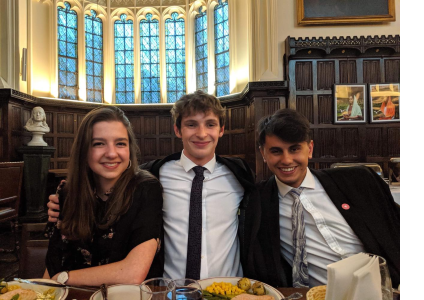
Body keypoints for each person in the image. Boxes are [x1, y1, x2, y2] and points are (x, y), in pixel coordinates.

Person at [47, 90, 261, 281]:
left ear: (222, 130)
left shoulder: (239, 174)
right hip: (170, 289)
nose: (202, 133)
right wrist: (64, 203)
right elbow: (108, 190)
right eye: (191, 124)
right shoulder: (154, 176)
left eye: (210, 124)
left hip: (229, 289)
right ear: (177, 130)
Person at [254, 109, 400, 289]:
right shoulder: (256, 201)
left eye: (295, 149)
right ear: (263, 153)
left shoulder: (359, 181)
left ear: (310, 148)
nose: (287, 159)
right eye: (276, 151)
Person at [44, 106, 163, 286]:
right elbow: (53, 264)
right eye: (99, 143)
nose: (111, 153)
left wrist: (63, 278)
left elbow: (133, 274)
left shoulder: (145, 189)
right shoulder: (68, 191)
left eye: (120, 143)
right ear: (84, 150)